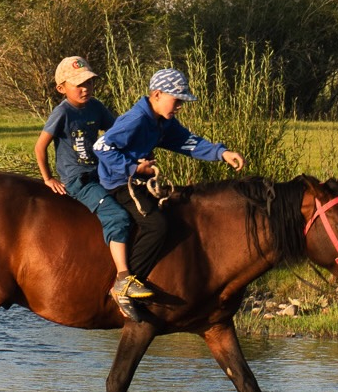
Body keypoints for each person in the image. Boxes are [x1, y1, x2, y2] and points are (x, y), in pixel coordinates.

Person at [94, 67, 244, 317]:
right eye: (177, 100)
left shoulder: (162, 122)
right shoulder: (137, 120)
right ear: (157, 94)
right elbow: (102, 146)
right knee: (156, 225)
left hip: (136, 180)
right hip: (118, 183)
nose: (180, 106)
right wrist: (134, 167)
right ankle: (125, 284)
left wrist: (221, 153)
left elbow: (188, 142)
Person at [34, 55, 136, 291]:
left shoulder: (96, 107)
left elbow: (117, 131)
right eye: (78, 84)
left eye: (88, 83)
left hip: (100, 173)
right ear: (62, 88)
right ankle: (122, 278)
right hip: (78, 179)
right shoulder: (63, 113)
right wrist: (48, 178)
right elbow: (40, 146)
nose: (85, 89)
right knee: (117, 217)